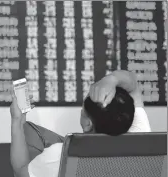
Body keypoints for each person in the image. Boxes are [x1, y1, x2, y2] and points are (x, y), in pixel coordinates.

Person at [10, 70, 151, 177]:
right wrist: (112, 79)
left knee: (27, 129)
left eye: (82, 110)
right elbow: (133, 85)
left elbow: (20, 169)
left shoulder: (62, 155)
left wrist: (17, 120)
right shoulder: (141, 136)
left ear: (88, 124)